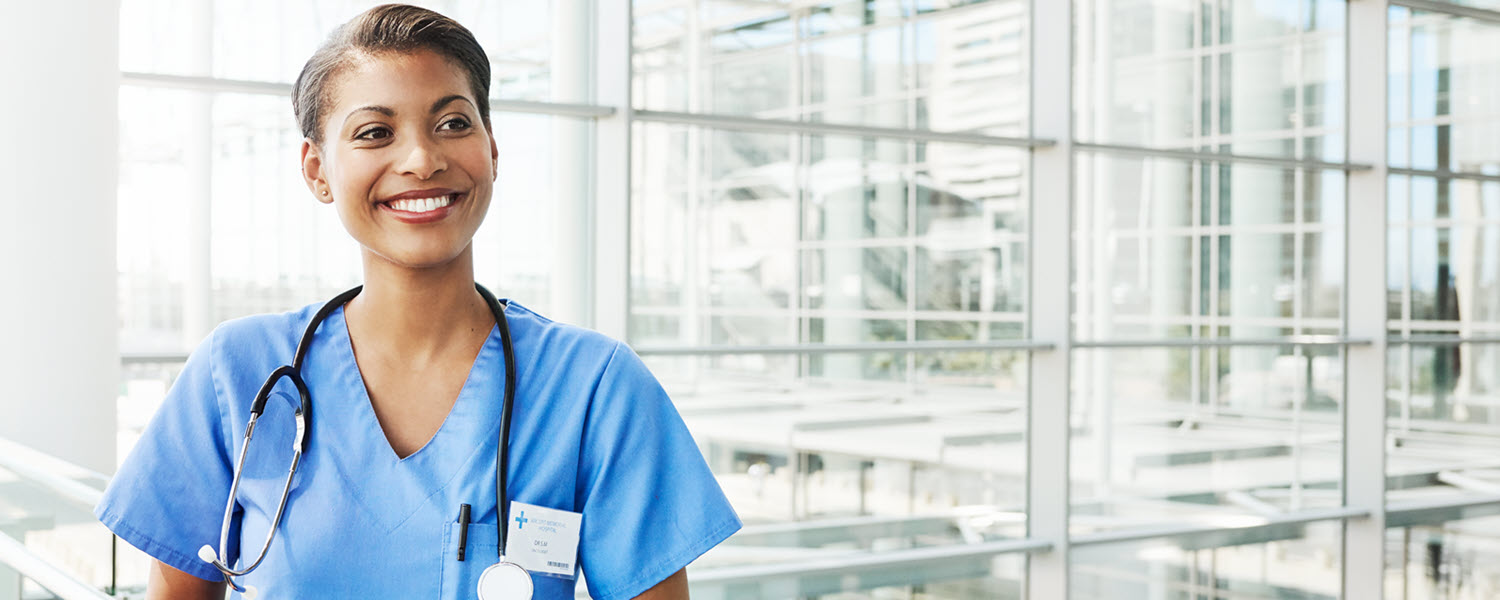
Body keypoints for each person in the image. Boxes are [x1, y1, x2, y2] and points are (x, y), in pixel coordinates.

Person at [94, 5, 740, 599]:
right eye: (375, 132)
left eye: (453, 123)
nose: (422, 159)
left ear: (490, 148)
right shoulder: (237, 371)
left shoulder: (594, 385)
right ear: (318, 170)